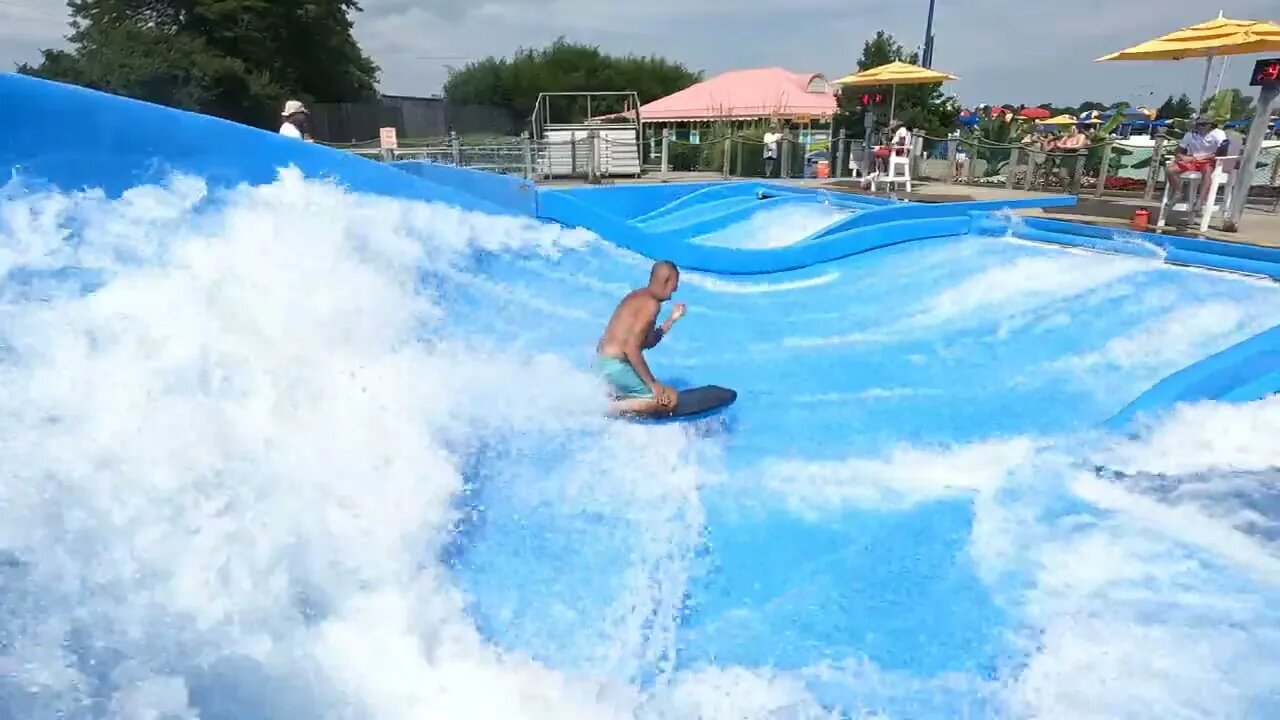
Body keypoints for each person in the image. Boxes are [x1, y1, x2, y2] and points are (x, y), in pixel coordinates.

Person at [596, 260, 686, 416]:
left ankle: (621, 399)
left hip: (605, 362)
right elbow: (631, 348)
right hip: (615, 366)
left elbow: (645, 342)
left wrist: (671, 319)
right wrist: (652, 385)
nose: (675, 290)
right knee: (670, 399)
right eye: (674, 285)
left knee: (663, 389)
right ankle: (607, 409)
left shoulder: (637, 296)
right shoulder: (651, 305)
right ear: (667, 281)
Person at [1166, 116, 1229, 209]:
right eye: (1198, 124)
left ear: (1210, 125)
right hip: (1193, 160)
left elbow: (1223, 151)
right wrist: (1183, 156)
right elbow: (1178, 151)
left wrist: (1205, 157)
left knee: (1207, 172)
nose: (1200, 127)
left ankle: (1200, 200)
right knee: (1171, 170)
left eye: (1203, 125)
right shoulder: (1189, 135)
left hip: (1209, 160)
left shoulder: (1218, 133)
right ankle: (1177, 193)